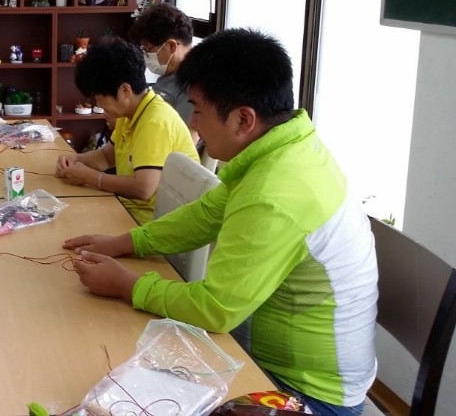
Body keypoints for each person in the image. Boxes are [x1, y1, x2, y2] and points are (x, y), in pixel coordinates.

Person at [63, 29, 378, 416]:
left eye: (198, 110)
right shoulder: (281, 150)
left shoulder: (275, 192)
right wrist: (125, 243)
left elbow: (215, 309)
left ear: (243, 119)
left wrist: (126, 284)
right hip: (260, 355)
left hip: (302, 391)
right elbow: (205, 215)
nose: (193, 121)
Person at [55, 37, 199, 225]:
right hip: (129, 209)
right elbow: (107, 157)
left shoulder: (154, 121)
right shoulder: (130, 113)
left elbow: (144, 188)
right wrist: (75, 160)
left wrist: (90, 177)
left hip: (151, 222)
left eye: (98, 98)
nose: (98, 104)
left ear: (124, 90)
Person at [129, 2, 197, 143]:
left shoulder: (193, 85)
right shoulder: (169, 76)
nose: (146, 56)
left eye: (148, 50)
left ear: (171, 46)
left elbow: (187, 144)